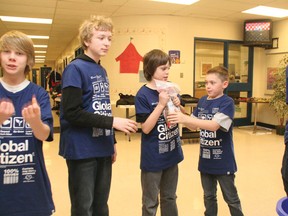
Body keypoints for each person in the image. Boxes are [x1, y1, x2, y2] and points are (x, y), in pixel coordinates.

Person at [59, 15, 138, 216]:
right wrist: (113, 122)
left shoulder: (101, 70)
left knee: (101, 205)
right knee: (83, 206)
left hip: (102, 146)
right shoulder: (74, 68)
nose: (107, 43)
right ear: (87, 40)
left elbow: (102, 106)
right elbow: (72, 112)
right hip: (81, 149)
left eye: (109, 38)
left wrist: (111, 141)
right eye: (101, 37)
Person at [167, 66, 244, 216]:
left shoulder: (227, 102)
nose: (208, 86)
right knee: (209, 196)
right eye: (206, 82)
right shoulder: (202, 101)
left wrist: (184, 118)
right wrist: (179, 111)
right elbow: (193, 124)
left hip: (223, 161)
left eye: (212, 83)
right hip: (206, 161)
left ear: (225, 84)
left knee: (231, 198)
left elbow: (214, 126)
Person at [0, 30, 55, 215]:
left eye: (19, 53)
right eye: (6, 52)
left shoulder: (38, 94)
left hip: (32, 188)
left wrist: (35, 122)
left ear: (29, 60)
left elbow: (44, 135)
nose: (12, 58)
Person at [134, 49, 184, 216]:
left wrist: (178, 104)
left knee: (170, 197)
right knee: (150, 202)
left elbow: (181, 116)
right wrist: (161, 105)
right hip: (153, 157)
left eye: (168, 68)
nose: (167, 72)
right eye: (163, 68)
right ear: (150, 69)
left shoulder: (171, 88)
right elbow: (146, 128)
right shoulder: (142, 95)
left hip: (172, 153)